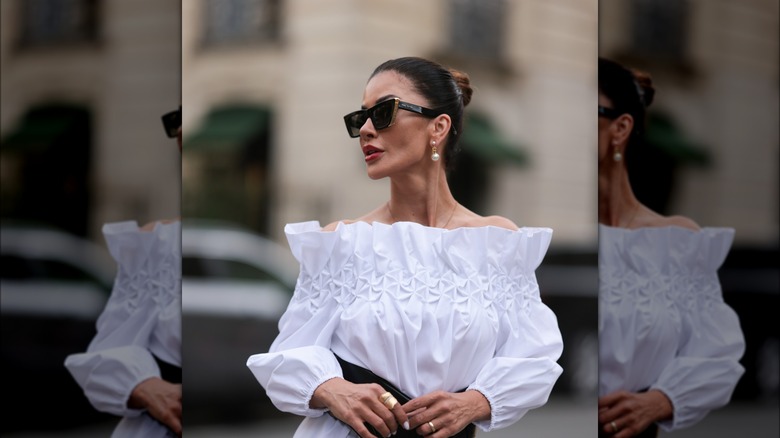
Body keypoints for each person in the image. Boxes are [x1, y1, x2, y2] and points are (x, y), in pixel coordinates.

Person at [246, 56, 563, 438]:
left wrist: (478, 400)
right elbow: (287, 352)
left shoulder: (496, 244)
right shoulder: (341, 242)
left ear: (438, 127)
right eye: (360, 117)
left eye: (383, 112)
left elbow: (536, 356)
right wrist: (331, 389)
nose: (365, 129)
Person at [596, 57, 745, 437]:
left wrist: (663, 399)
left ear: (620, 128)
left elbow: (718, 351)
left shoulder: (676, 242)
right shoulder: (532, 236)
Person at [64, 108, 183, 437]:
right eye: (177, 118)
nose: (182, 129)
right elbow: (107, 349)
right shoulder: (156, 245)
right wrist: (145, 385)